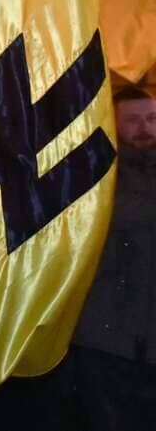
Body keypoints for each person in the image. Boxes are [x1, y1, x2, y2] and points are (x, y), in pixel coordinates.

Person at [65, 86, 156, 430]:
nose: (144, 127)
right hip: (105, 338)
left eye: (151, 119)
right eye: (133, 120)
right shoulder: (96, 172)